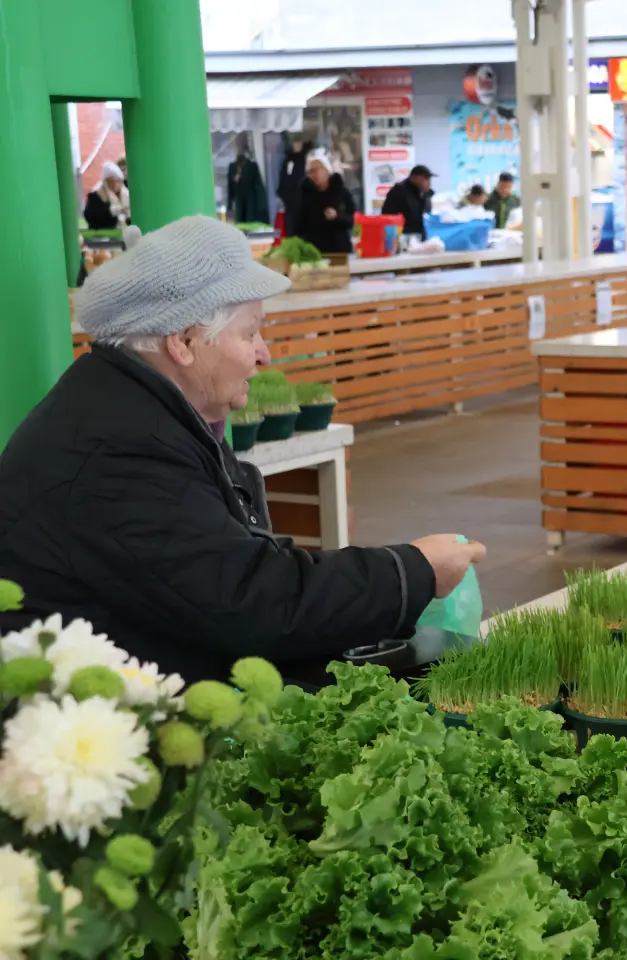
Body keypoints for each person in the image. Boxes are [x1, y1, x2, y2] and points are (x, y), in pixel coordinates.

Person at [0, 216, 487, 683]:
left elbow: (233, 572)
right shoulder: (118, 451)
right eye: (250, 332)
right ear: (184, 343)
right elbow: (248, 601)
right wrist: (412, 572)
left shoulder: (130, 407)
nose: (264, 354)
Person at [294, 154, 356, 254]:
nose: (313, 175)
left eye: (315, 170)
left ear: (326, 170)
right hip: (314, 252)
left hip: (340, 250)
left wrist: (337, 216)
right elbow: (297, 226)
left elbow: (352, 219)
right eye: (310, 172)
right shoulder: (303, 195)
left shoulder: (341, 192)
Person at [381, 164, 434, 240]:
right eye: (425, 179)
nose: (429, 183)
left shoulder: (425, 194)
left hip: (420, 237)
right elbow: (388, 216)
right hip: (402, 237)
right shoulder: (399, 191)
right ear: (414, 178)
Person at [83, 161, 130, 230]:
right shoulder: (96, 196)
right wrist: (115, 211)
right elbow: (92, 217)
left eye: (118, 181)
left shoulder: (126, 193)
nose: (115, 184)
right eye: (112, 181)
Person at [227, 151, 269, 226]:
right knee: (241, 223)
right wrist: (229, 207)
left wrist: (262, 207)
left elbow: (258, 187)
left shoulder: (252, 167)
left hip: (251, 204)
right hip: (240, 204)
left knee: (249, 222)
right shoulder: (232, 167)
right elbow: (230, 188)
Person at [278, 139, 313, 221]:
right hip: (290, 201)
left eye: (299, 142)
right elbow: (284, 178)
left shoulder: (308, 159)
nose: (297, 145)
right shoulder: (288, 160)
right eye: (295, 142)